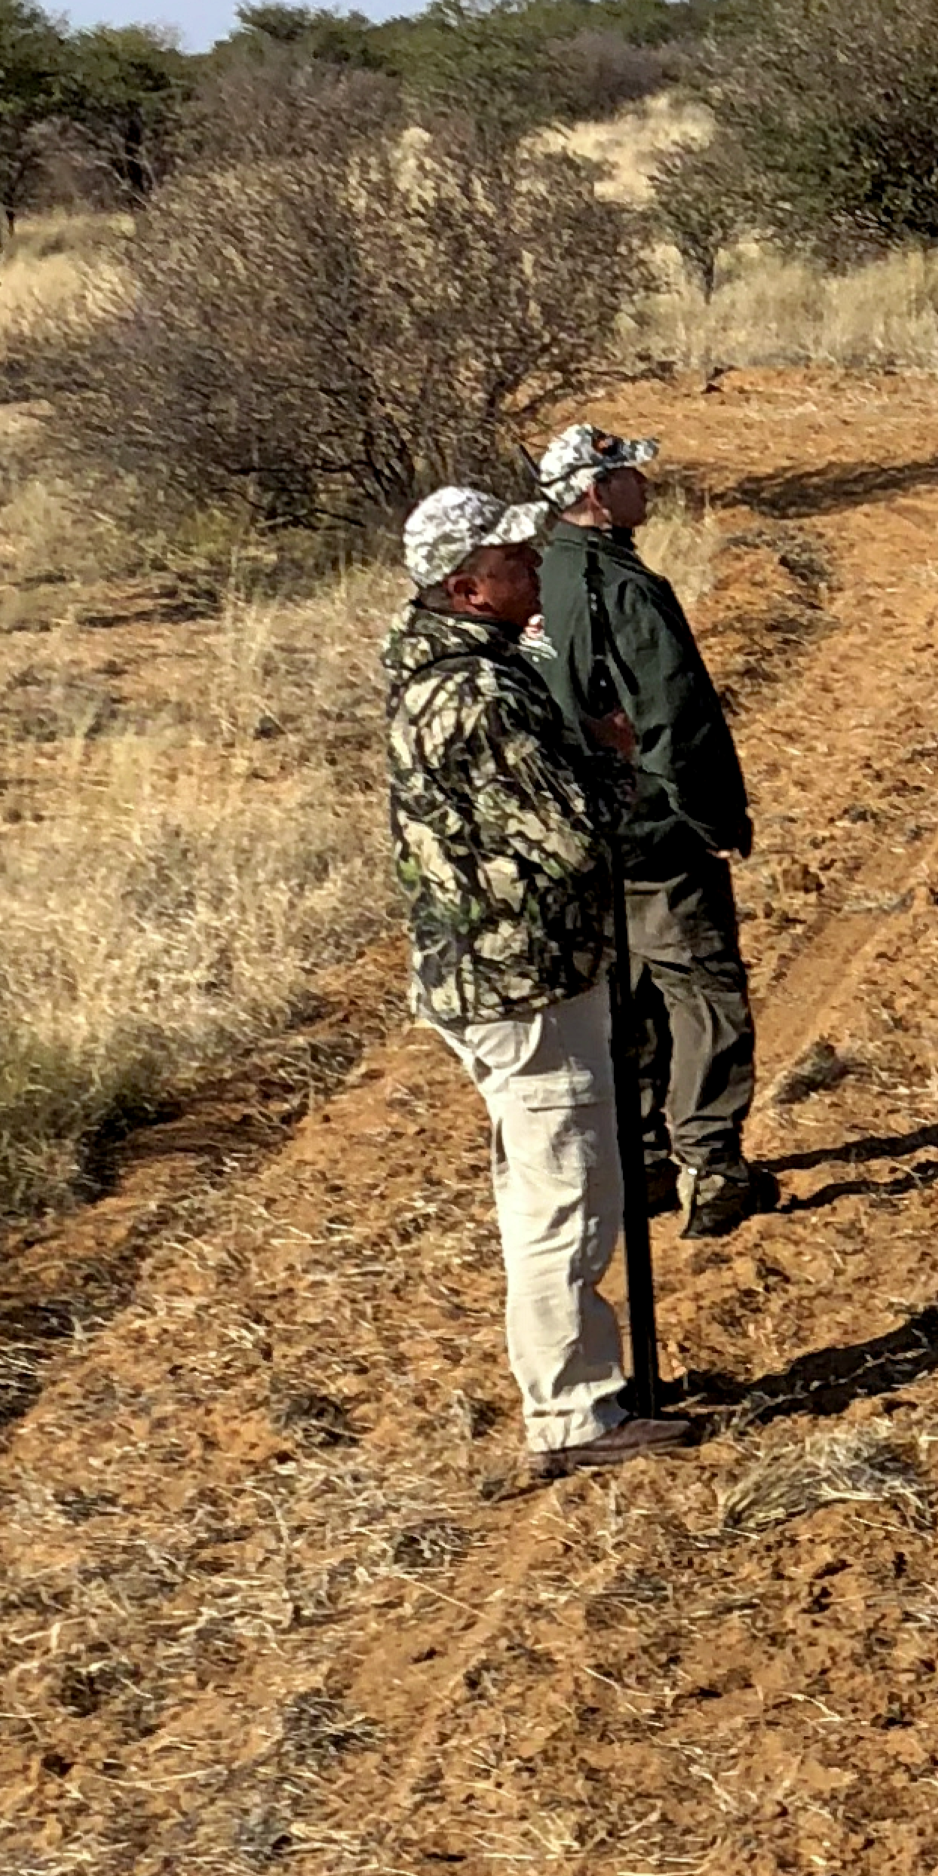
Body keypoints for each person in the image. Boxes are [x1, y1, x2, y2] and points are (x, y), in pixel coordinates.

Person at [383, 483, 692, 1481]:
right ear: (469, 587)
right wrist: (615, 764)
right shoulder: (479, 692)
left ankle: (587, 1388)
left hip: (502, 971)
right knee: (564, 1191)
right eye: (516, 557)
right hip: (526, 976)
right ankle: (572, 1412)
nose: (535, 564)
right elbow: (569, 838)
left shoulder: (454, 668)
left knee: (553, 1179)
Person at [533, 424, 773, 1241]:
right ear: (596, 495)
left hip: (577, 831)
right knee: (700, 993)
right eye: (629, 473)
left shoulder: (537, 577)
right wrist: (711, 817)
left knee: (624, 996)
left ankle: (643, 1163)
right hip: (653, 827)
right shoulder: (625, 587)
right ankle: (713, 1168)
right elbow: (673, 715)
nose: (645, 483)